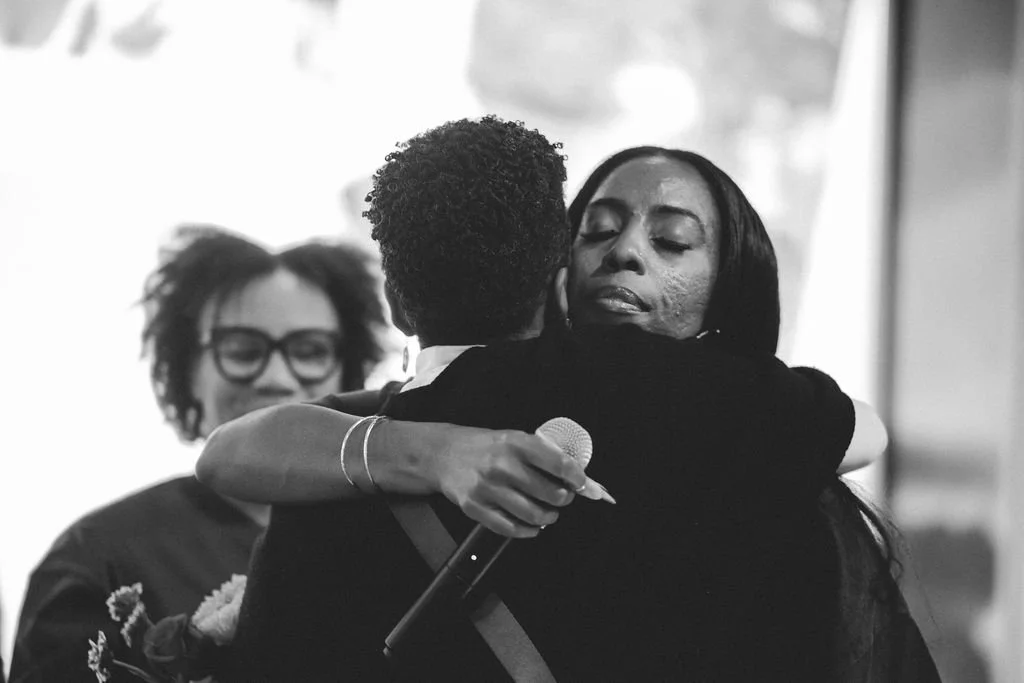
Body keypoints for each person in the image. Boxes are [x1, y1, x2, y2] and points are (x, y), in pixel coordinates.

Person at [202, 117, 898, 681]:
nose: (626, 252)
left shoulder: (731, 433)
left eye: (673, 240)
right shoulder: (735, 434)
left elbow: (235, 453)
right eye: (596, 229)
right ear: (554, 267)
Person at [9, 226, 386, 682]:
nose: (279, 378)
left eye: (310, 351)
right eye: (243, 350)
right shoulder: (97, 559)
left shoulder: (405, 530)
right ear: (187, 371)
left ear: (350, 371)